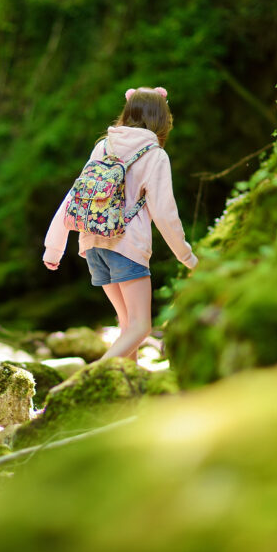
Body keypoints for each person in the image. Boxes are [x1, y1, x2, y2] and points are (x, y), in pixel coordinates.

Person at [43, 86, 198, 361]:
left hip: (92, 244)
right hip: (127, 246)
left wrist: (54, 246)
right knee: (141, 326)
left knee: (127, 326)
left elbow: (75, 195)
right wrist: (187, 257)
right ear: (162, 119)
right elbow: (164, 212)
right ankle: (88, 382)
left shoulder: (103, 145)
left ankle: (126, 396)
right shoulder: (155, 154)